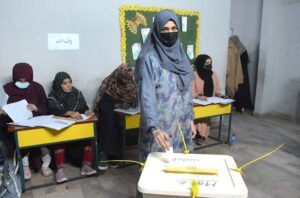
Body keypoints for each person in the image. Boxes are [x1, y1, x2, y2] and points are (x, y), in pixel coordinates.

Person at [134, 10, 196, 162]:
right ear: (157, 31)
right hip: (160, 130)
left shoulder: (181, 57)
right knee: (158, 173)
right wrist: (154, 128)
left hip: (182, 126)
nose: (170, 32)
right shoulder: (150, 59)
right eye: (165, 29)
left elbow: (186, 93)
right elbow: (146, 96)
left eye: (174, 28)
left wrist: (191, 119)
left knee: (181, 171)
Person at [0, 63, 53, 180]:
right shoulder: (6, 89)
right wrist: (6, 112)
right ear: (14, 77)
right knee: (22, 138)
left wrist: (36, 108)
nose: (23, 82)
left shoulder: (37, 88)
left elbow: (46, 107)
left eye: (26, 80)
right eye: (20, 80)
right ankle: (25, 165)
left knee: (43, 138)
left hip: (36, 123)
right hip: (17, 126)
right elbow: (2, 110)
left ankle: (45, 163)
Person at [47, 72, 96, 183]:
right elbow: (52, 110)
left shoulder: (77, 93)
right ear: (58, 84)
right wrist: (67, 112)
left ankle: (86, 166)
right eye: (64, 83)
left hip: (76, 128)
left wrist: (87, 111)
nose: (69, 85)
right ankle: (59, 171)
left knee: (89, 136)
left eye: (70, 82)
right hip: (62, 129)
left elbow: (84, 107)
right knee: (58, 139)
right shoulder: (53, 96)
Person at [95, 63, 138, 170]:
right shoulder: (108, 82)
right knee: (110, 121)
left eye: (127, 78)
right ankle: (104, 155)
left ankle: (114, 156)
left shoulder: (131, 83)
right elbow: (101, 103)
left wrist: (123, 106)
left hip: (122, 111)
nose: (125, 80)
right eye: (123, 77)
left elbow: (134, 102)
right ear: (118, 74)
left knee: (118, 122)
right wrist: (115, 107)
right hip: (107, 110)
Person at [191, 54, 221, 145]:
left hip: (209, 102)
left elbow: (217, 90)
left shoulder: (213, 75)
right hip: (196, 102)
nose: (209, 65)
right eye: (207, 63)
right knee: (199, 113)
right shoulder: (194, 75)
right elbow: (190, 91)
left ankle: (202, 135)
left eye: (210, 63)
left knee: (205, 116)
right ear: (200, 63)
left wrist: (220, 95)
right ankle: (195, 133)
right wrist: (199, 96)